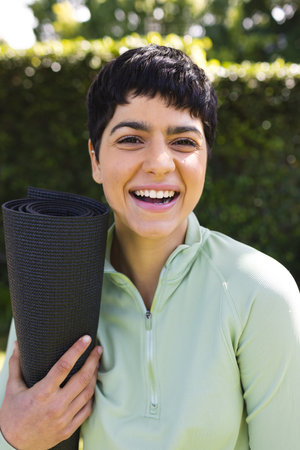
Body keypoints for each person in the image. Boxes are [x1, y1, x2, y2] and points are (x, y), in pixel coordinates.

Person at [0, 44, 300, 450]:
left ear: (206, 158)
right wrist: (16, 437)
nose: (159, 162)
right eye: (131, 138)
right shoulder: (50, 285)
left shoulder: (261, 293)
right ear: (96, 159)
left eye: (184, 142)